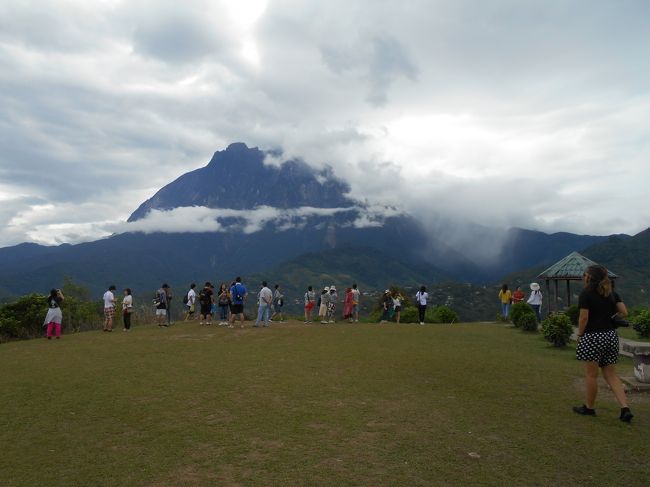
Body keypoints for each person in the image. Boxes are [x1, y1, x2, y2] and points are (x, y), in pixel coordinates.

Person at [573, 265, 633, 423]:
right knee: (611, 375)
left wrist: (579, 334)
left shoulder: (586, 293)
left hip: (593, 337)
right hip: (611, 336)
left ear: (589, 277)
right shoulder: (610, 292)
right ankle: (625, 408)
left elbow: (583, 318)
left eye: (584, 274)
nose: (583, 277)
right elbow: (624, 312)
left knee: (591, 375)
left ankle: (589, 408)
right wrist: (611, 316)